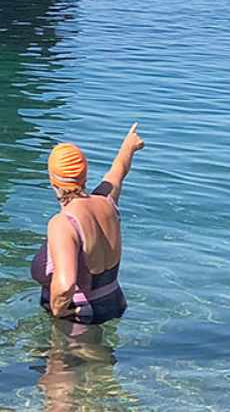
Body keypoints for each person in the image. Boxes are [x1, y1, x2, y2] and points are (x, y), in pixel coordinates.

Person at [30, 123, 145, 326]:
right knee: (103, 358)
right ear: (84, 176)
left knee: (62, 357)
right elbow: (118, 171)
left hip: (80, 314)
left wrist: (57, 311)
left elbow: (66, 285)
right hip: (114, 302)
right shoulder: (106, 201)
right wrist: (129, 146)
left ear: (52, 181)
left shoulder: (63, 223)